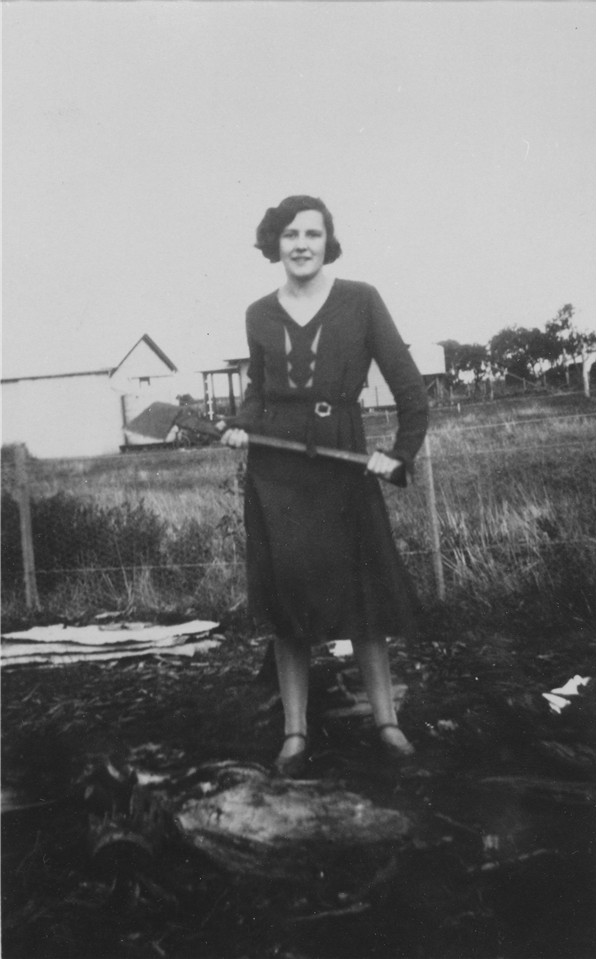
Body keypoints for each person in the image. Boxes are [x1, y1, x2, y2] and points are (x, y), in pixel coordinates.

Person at [221, 195, 428, 776]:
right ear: (275, 243)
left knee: (363, 596)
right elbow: (258, 391)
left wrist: (398, 454)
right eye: (290, 234)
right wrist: (241, 425)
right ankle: (295, 732)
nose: (301, 244)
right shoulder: (259, 313)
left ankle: (387, 723)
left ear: (328, 241)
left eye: (313, 233)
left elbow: (410, 390)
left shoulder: (361, 301)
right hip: (276, 469)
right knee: (287, 597)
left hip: (341, 459)